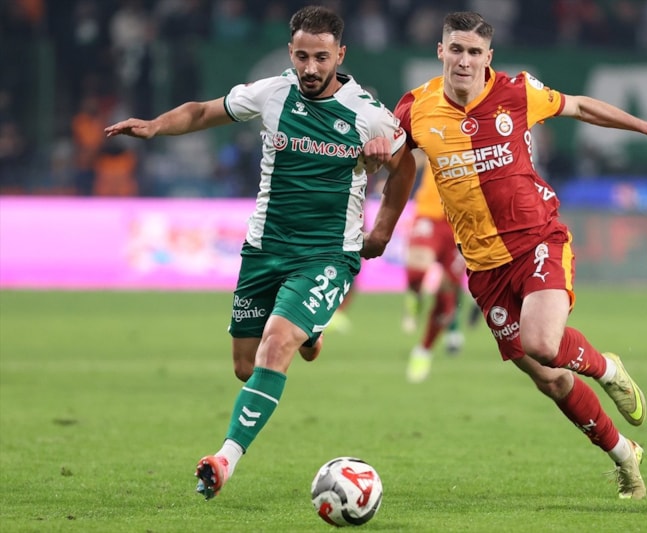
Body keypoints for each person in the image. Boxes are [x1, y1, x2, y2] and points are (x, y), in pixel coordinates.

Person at [105, 5, 416, 500]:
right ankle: (311, 332)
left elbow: (405, 167)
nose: (310, 68)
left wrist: (381, 230)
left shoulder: (369, 115)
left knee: (277, 343)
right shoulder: (273, 93)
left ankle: (224, 459)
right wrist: (155, 126)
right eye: (301, 56)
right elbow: (203, 111)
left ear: (340, 54)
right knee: (245, 367)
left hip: (326, 254)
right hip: (264, 248)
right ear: (290, 52)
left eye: (320, 57)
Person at [385, 11, 647, 500]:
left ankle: (607, 368)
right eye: (456, 49)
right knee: (551, 381)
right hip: (484, 268)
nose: (464, 61)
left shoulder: (517, 92)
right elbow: (388, 157)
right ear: (441, 51)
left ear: (488, 57)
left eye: (474, 52)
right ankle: (624, 456)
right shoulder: (415, 108)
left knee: (544, 343)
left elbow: (580, 107)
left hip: (538, 242)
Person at [403, 157, 467, 383]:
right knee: (417, 272)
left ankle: (424, 350)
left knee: (447, 293)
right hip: (430, 213)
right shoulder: (437, 135)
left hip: (462, 221)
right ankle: (415, 296)